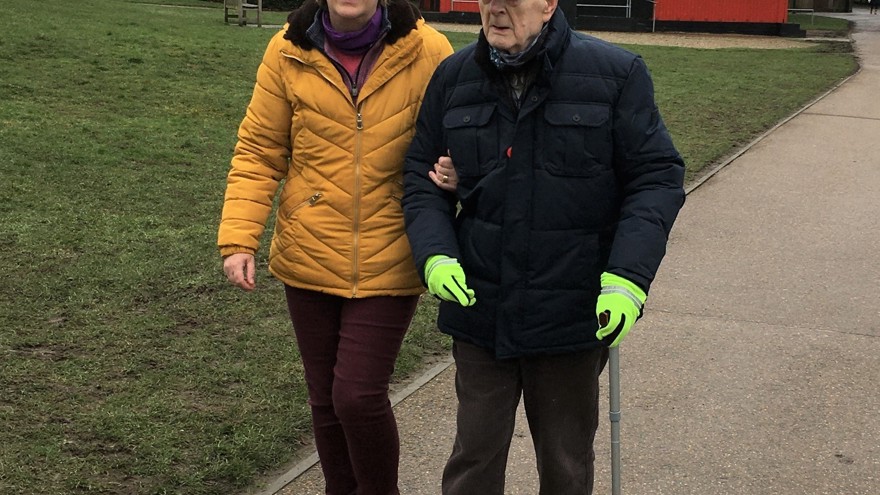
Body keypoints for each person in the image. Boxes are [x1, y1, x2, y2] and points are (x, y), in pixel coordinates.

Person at [401, 0, 685, 492]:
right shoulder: (453, 77)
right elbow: (421, 176)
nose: (495, 10)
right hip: (481, 308)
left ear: (548, 3)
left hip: (571, 311)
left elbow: (656, 178)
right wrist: (435, 253)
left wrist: (626, 278)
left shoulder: (615, 73)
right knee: (473, 458)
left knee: (566, 462)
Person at [217, 0, 452, 492]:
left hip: (391, 251)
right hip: (310, 249)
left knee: (357, 396)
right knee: (324, 400)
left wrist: (457, 173)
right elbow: (260, 149)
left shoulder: (428, 50)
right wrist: (240, 237)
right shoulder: (287, 49)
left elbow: (458, 137)